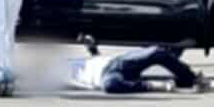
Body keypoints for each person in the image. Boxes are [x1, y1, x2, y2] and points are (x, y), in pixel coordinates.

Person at [69, 42, 204, 94]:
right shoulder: (50, 79)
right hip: (105, 77)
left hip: (114, 62)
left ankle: (191, 79)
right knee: (110, 86)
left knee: (156, 52)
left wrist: (92, 48)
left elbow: (89, 63)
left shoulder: (64, 60)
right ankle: (152, 86)